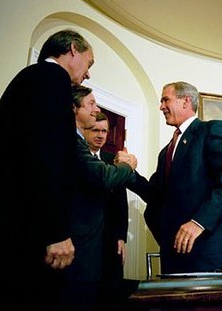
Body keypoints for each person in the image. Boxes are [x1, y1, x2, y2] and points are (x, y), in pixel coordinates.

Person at [0, 30, 94, 310]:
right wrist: (55, 231)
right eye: (90, 63)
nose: (88, 74)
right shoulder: (51, 79)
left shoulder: (32, 79)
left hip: (3, 237)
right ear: (73, 49)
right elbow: (44, 155)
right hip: (17, 241)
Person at [129, 81, 222, 274]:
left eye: (166, 100)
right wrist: (127, 172)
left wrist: (199, 222)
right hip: (173, 254)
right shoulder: (166, 151)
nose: (161, 107)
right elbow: (156, 195)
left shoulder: (212, 130)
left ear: (185, 101)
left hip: (207, 254)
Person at [57, 87, 137, 311]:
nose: (97, 108)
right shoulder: (70, 142)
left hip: (101, 246)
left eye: (105, 130)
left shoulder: (110, 158)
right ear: (74, 109)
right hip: (75, 246)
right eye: (91, 104)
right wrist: (128, 165)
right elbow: (103, 177)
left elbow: (123, 201)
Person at [83, 112, 131, 308]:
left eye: (104, 131)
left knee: (110, 292)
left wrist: (121, 237)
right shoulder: (78, 157)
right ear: (84, 130)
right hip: (84, 238)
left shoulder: (114, 161)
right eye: (95, 130)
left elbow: (121, 203)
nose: (101, 135)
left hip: (110, 239)